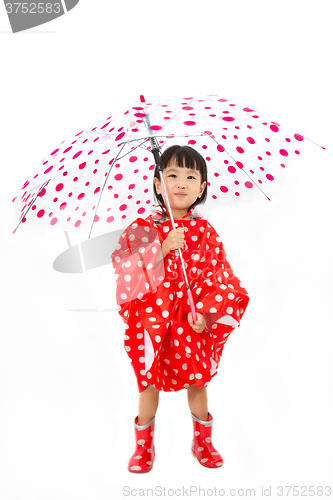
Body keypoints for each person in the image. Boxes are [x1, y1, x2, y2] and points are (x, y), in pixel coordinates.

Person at [111, 145, 250, 473]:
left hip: (191, 321)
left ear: (202, 188)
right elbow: (126, 275)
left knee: (198, 382)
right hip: (153, 323)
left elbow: (220, 275)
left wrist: (207, 312)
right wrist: (161, 246)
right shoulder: (142, 227)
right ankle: (143, 446)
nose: (181, 183)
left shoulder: (205, 232)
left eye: (190, 176)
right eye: (171, 175)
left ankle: (202, 441)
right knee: (148, 384)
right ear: (158, 183)